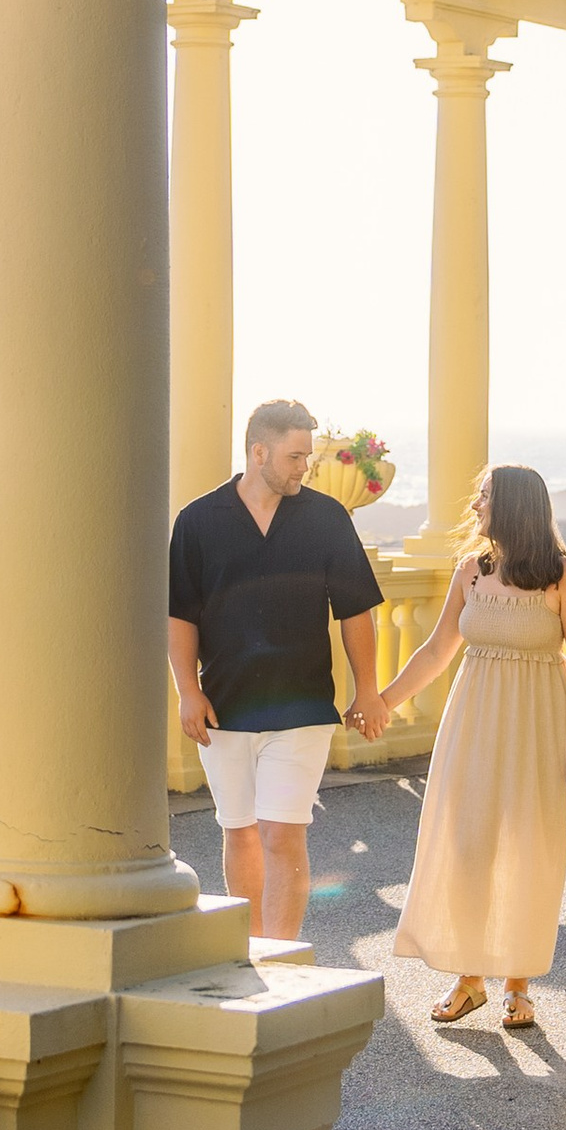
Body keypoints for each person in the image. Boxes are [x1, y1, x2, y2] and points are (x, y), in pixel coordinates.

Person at [380, 462, 566, 1031]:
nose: (474, 505)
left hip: (538, 728)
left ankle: (519, 985)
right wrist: (383, 700)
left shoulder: (565, 578)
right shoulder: (470, 573)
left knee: (527, 849)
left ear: (514, 507)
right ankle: (470, 978)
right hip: (473, 725)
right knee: (468, 846)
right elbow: (435, 653)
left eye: (484, 496)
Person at [168, 398, 386, 944]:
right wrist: (187, 693)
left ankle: (283, 956)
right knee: (239, 832)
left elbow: (356, 611)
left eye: (307, 457)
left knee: (282, 833)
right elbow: (179, 616)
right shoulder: (197, 520)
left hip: (302, 705)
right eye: (294, 457)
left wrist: (369, 691)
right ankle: (253, 951)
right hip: (224, 703)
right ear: (258, 451)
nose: (303, 468)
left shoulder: (326, 517)